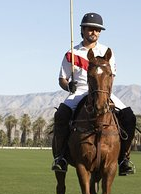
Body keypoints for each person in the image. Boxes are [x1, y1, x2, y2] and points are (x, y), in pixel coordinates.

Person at [51, 12, 136, 176]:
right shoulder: (71, 53)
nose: (94, 33)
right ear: (82, 30)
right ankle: (60, 156)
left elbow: (111, 77)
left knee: (129, 116)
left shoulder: (107, 51)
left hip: (102, 91)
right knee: (61, 114)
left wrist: (104, 92)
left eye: (97, 30)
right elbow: (62, 79)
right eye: (90, 29)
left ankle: (124, 159)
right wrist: (69, 86)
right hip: (80, 90)